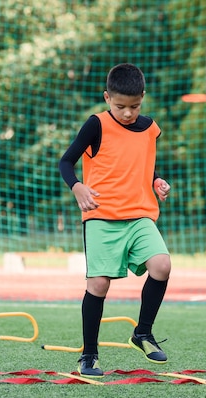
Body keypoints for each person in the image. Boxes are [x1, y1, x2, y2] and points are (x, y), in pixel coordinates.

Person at [59, 63, 172, 377]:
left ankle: (143, 333)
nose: (127, 113)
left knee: (162, 265)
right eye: (120, 106)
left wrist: (157, 180)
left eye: (134, 106)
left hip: (139, 214)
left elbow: (142, 164)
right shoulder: (96, 125)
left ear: (143, 98)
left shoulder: (150, 128)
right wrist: (77, 186)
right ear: (107, 97)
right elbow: (66, 161)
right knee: (98, 284)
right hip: (101, 217)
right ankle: (89, 356)